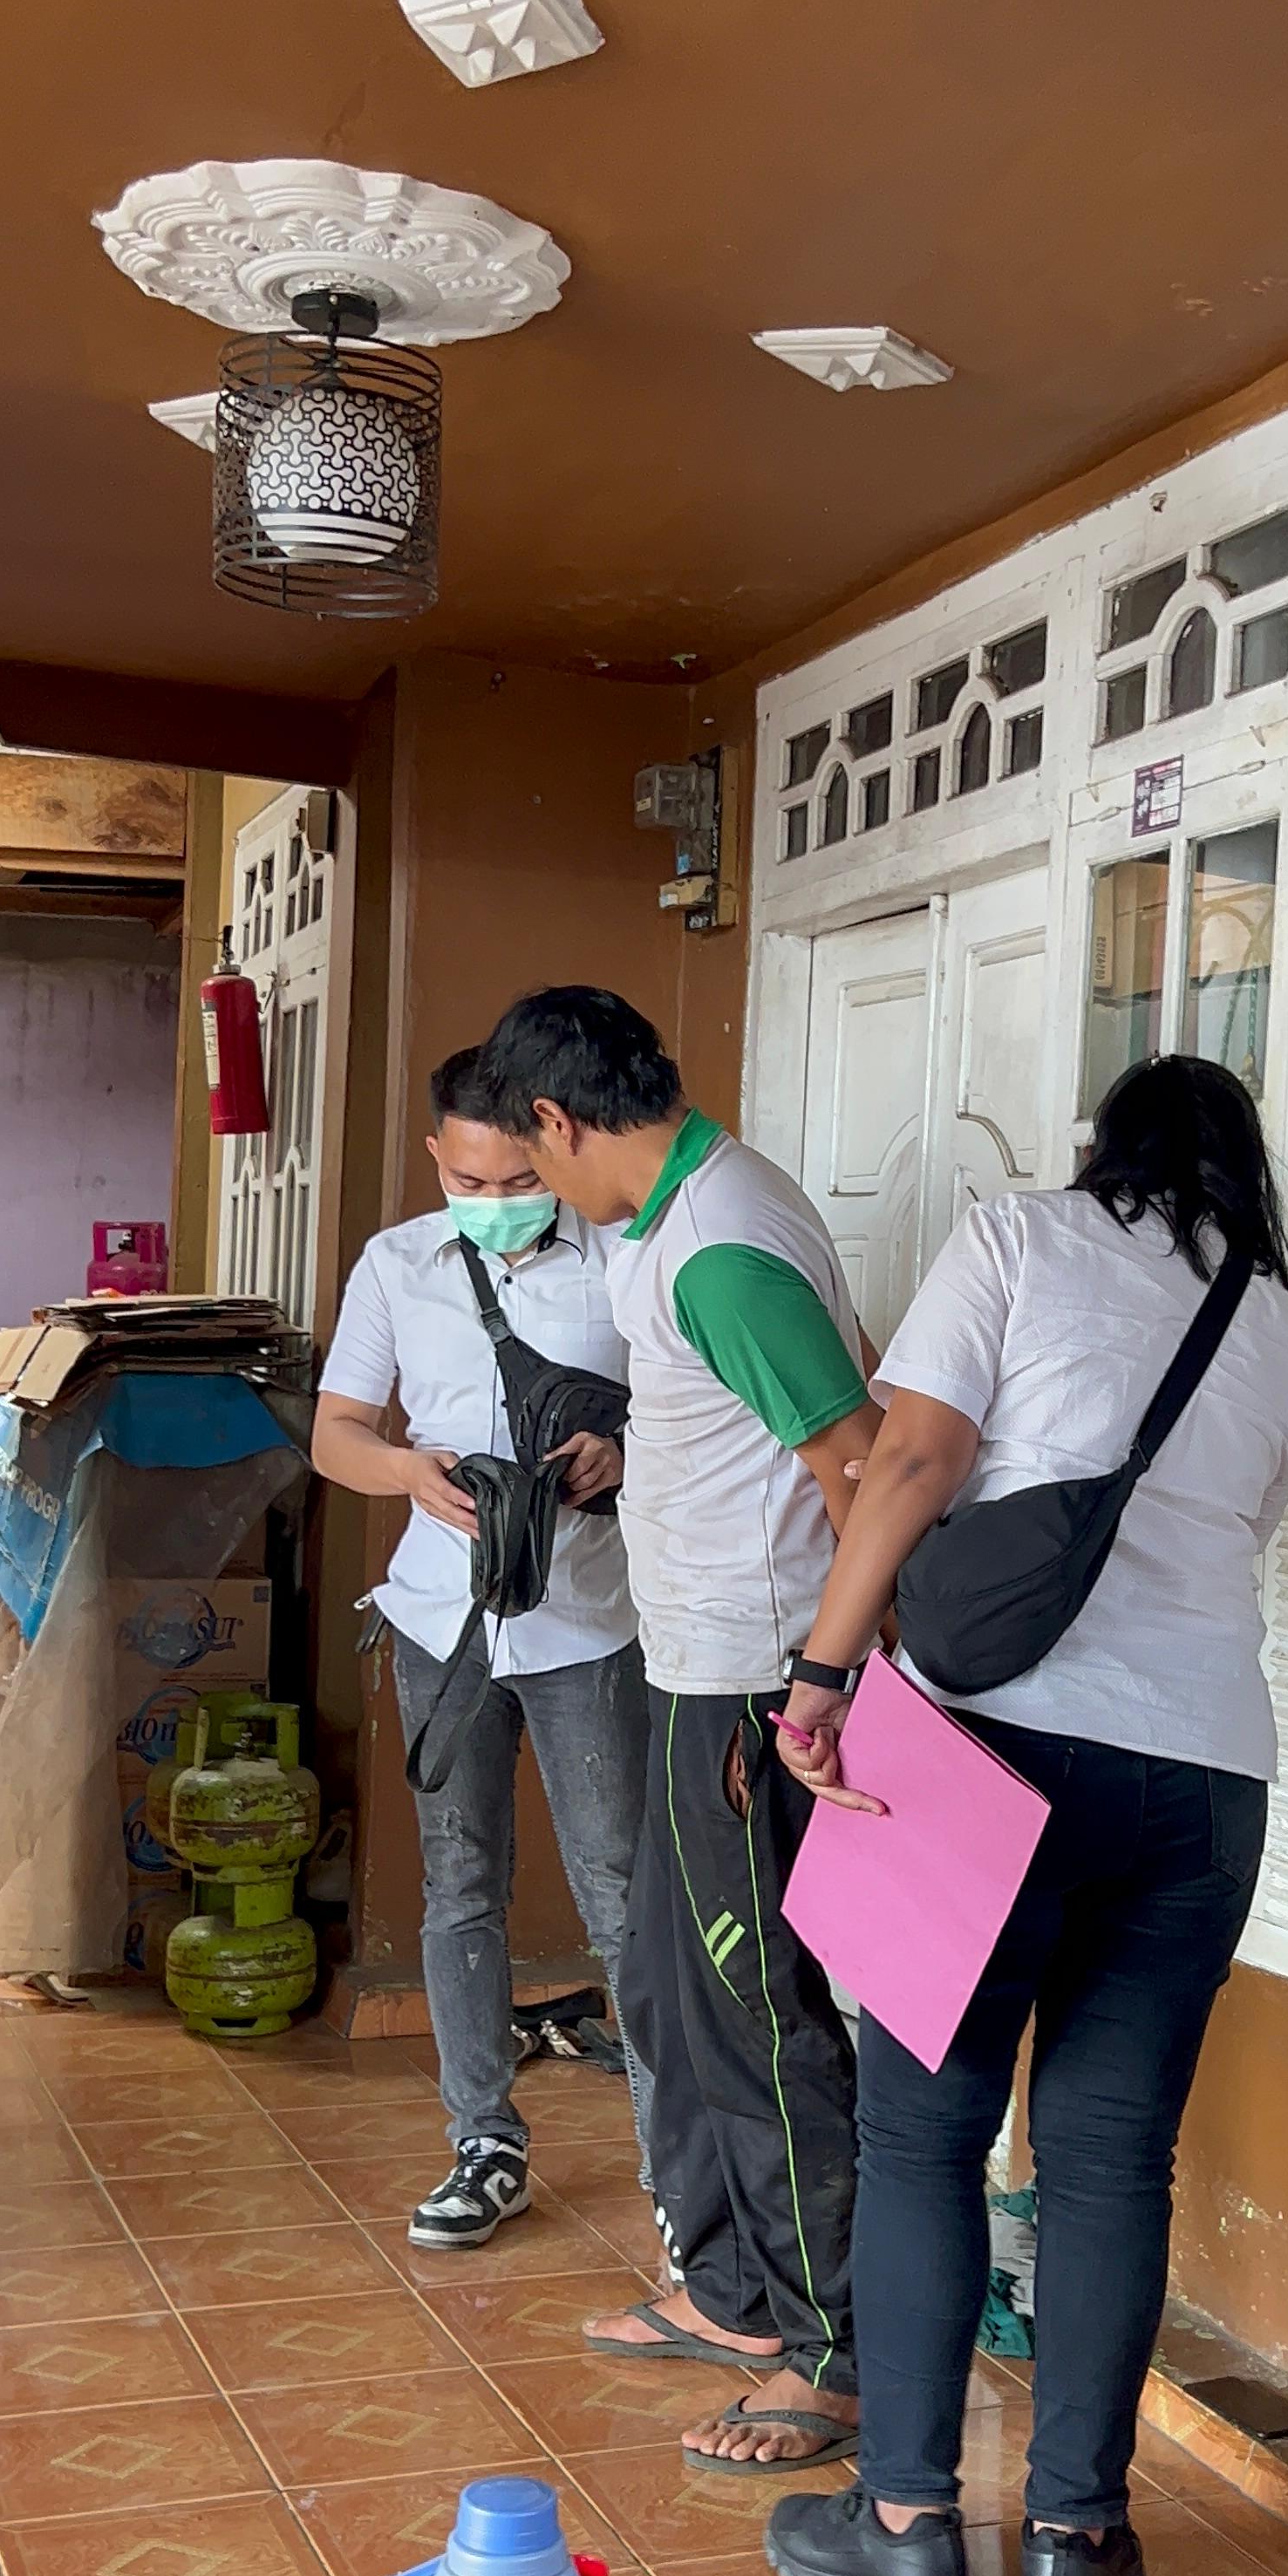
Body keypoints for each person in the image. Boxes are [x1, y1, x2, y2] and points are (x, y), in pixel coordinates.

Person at [761, 1054, 1288, 2576]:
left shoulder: (1021, 1237)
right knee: (1106, 2159)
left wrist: (821, 1676)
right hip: (1206, 1774)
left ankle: (906, 2527)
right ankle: (1077, 2546)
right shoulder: (1285, 1334)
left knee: (925, 2136)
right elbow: (1224, 1542)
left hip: (985, 1753)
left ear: (1108, 1149)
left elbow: (915, 1463)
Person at [475, 985, 881, 2467]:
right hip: (691, 1659)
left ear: (563, 1124)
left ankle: (826, 2348)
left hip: (755, 1679)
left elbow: (856, 1454)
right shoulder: (687, 1220)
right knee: (664, 1979)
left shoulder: (715, 1244)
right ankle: (731, 2292)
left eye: (533, 1170)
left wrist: (837, 1664)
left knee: (754, 2007)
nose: (538, 1198)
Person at [312, 1045, 651, 2250]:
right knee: (461, 1886)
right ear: (434, 1158)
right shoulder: (396, 1265)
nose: (493, 1200)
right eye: (469, 1177)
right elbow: (337, 1434)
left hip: (587, 1625)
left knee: (622, 1893)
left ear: (557, 1151)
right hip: (438, 1622)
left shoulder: (625, 1259)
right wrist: (411, 1472)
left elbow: (698, 1416)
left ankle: (676, 2184)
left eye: (517, 1179)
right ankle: (483, 2143)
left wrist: (622, 1456)